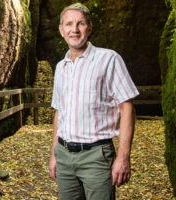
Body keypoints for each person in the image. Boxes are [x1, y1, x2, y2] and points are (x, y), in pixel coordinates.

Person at [49, 3, 139, 200]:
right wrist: (54, 154)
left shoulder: (109, 59)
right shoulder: (60, 67)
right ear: (61, 30)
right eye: (69, 24)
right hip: (63, 155)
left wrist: (123, 157)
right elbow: (59, 112)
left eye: (80, 23)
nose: (74, 29)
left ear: (89, 28)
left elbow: (127, 107)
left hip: (97, 157)